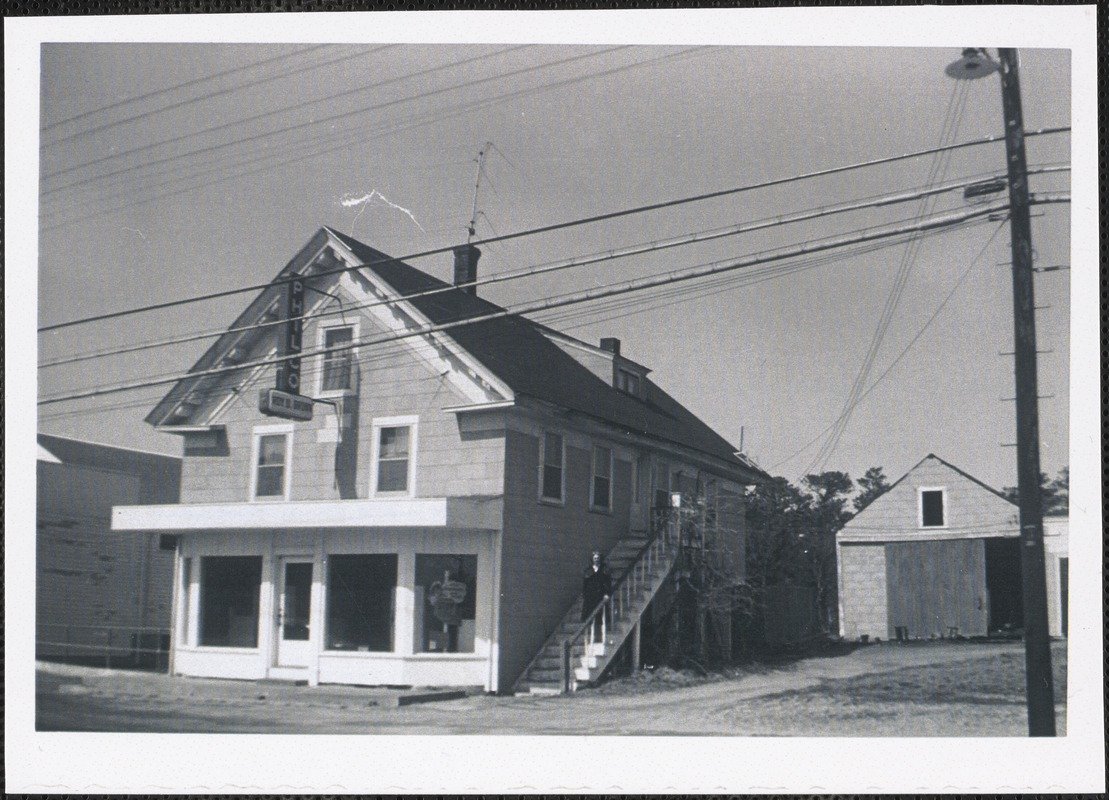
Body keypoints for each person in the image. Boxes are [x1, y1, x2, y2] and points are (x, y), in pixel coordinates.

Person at [581, 551, 613, 642]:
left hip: (600, 597)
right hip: (591, 598)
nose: (596, 560)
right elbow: (585, 585)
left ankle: (600, 637)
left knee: (600, 618)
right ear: (592, 559)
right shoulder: (588, 571)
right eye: (595, 558)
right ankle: (590, 638)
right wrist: (585, 595)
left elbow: (608, 583)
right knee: (590, 617)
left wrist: (607, 594)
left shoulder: (604, 570)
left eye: (598, 558)